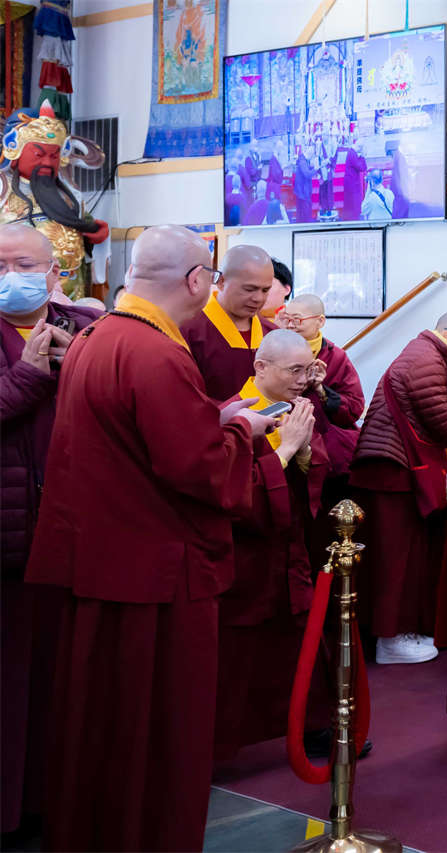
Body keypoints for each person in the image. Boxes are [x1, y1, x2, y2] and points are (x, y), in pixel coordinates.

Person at [24, 225, 273, 851]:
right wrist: (245, 434)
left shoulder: (97, 336)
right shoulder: (157, 353)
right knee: (155, 730)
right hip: (155, 575)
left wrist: (211, 417)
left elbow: (131, 441)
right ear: (196, 281)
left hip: (102, 560)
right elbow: (198, 469)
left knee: (100, 724)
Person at [0, 224, 99, 838]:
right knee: (9, 687)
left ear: (54, 272)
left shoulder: (87, 327)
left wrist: (78, 368)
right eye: (0, 266)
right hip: (7, 536)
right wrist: (31, 375)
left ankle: (50, 803)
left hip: (72, 532)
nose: (12, 277)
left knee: (61, 682)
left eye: (24, 264)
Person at [214, 329, 330, 759]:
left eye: (307, 370)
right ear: (260, 368)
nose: (302, 381)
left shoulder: (298, 408)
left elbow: (316, 469)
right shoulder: (234, 413)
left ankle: (312, 725)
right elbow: (234, 491)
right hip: (248, 555)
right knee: (240, 651)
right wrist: (289, 448)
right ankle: (222, 742)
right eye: (294, 371)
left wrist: (304, 449)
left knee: (301, 638)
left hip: (290, 548)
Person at [349, 310, 447, 664]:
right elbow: (440, 423)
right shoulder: (428, 359)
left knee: (403, 554)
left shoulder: (423, 353)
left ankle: (394, 632)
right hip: (391, 468)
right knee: (396, 558)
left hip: (391, 466)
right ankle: (390, 640)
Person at [276, 292, 365, 499]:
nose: (290, 325)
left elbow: (354, 407)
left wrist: (321, 390)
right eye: (286, 319)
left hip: (326, 447)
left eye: (297, 320)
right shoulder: (275, 350)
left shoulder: (335, 356)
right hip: (283, 439)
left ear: (320, 321)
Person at [181, 243, 278, 401]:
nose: (258, 298)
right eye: (249, 289)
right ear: (221, 281)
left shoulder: (272, 334)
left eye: (265, 290)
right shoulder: (189, 330)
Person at [260, 257, 293, 322]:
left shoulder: (297, 324)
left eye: (267, 285)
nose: (259, 291)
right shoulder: (242, 323)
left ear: (286, 290)